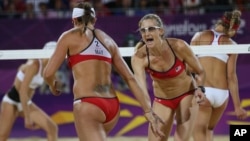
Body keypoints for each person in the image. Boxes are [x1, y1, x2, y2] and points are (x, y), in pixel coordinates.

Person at [42, 2, 164, 141]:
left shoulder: (69, 36)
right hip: (112, 107)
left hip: (89, 105)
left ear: (74, 20)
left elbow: (47, 73)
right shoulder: (109, 41)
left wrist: (52, 85)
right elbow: (130, 78)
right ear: (94, 20)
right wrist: (147, 111)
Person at [131, 13, 206, 141]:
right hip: (162, 100)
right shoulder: (139, 57)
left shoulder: (179, 46)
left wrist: (200, 88)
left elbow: (201, 71)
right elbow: (141, 88)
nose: (146, 33)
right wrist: (148, 111)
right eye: (143, 30)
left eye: (151, 29)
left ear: (161, 31)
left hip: (186, 95)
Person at [190, 9, 248, 141]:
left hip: (204, 91)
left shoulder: (199, 36)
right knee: (209, 130)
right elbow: (231, 77)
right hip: (222, 95)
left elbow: (189, 68)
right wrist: (238, 107)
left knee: (199, 131)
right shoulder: (232, 45)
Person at [0, 41, 58, 141]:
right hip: (11, 101)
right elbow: (22, 92)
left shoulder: (50, 67)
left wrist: (55, 87)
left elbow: (54, 85)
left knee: (52, 128)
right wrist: (27, 117)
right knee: (2, 136)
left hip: (26, 102)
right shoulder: (35, 65)